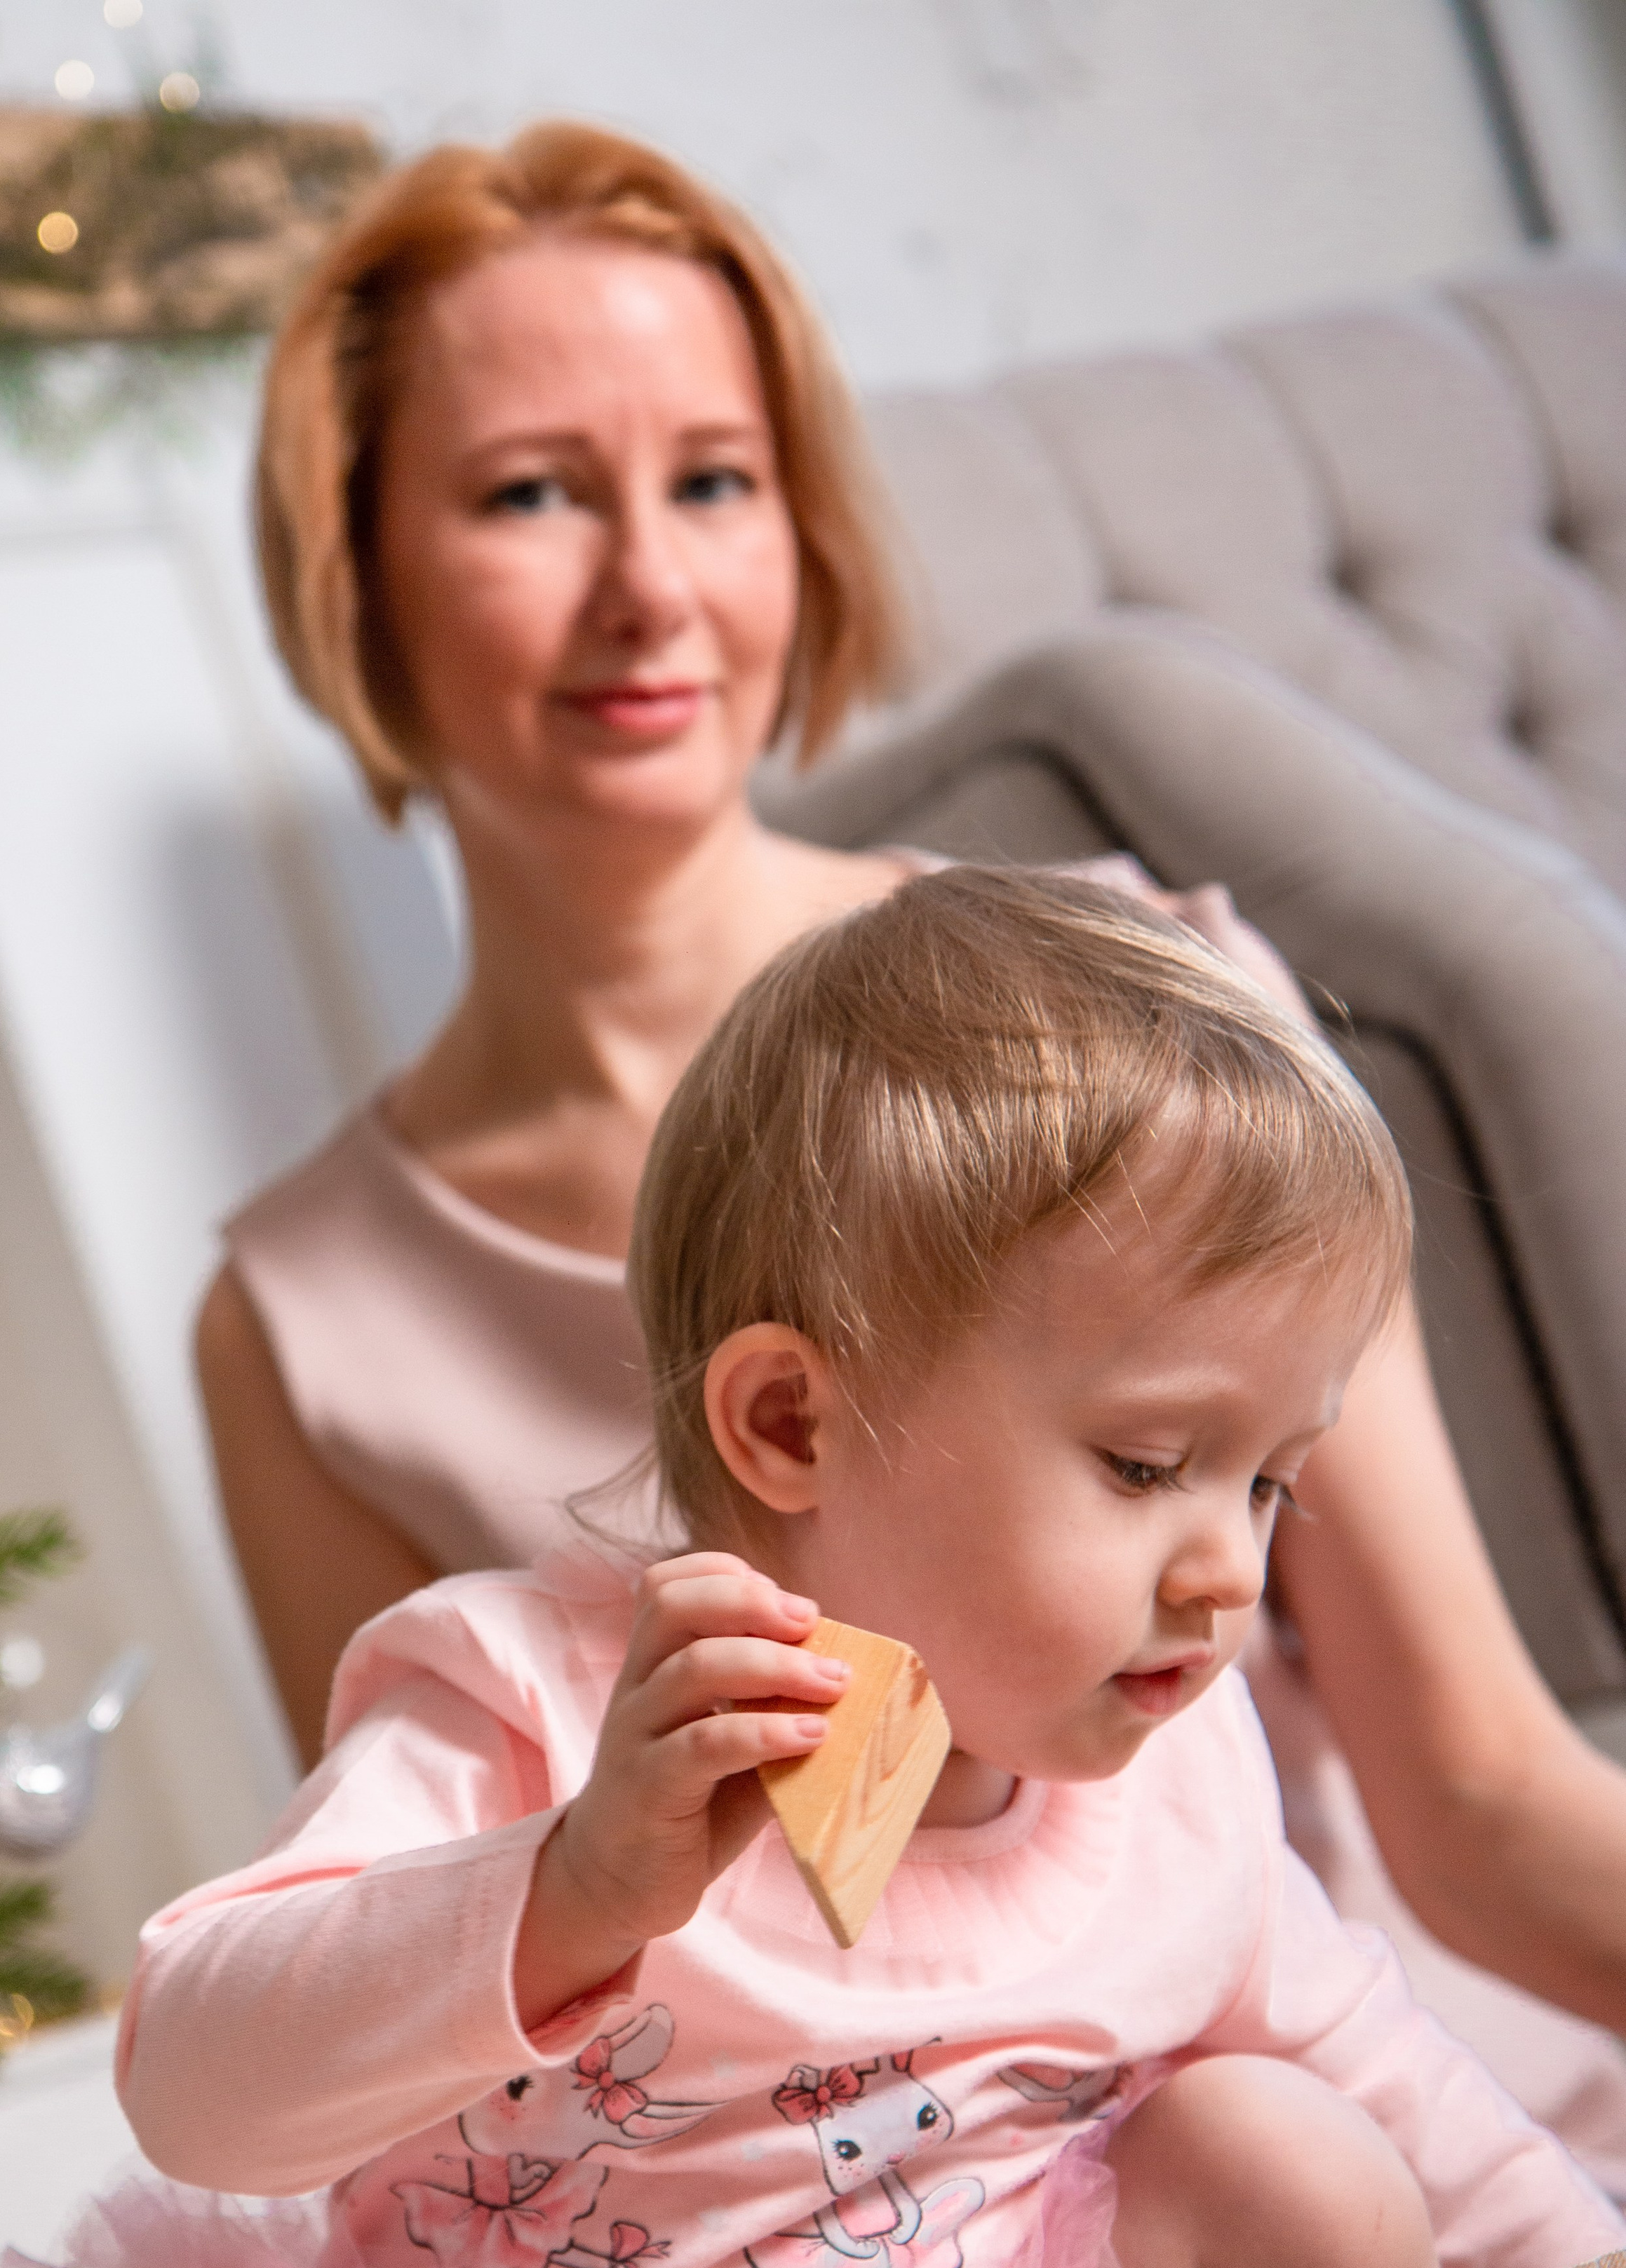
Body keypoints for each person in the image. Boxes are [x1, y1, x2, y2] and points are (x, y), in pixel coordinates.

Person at [0, 871, 1622, 2268]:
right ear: (791, 1425)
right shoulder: (525, 1695)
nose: (1232, 1566)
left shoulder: (1176, 1784)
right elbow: (199, 2083)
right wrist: (573, 1882)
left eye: (1269, 1482)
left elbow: (1447, 2139)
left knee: (1315, 2172)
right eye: (1151, 1462)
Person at [199, 125, 1626, 2107]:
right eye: (531, 494)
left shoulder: (1161, 1004)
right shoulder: (298, 1322)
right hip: (813, 2242)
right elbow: (441, 2012)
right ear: (356, 577)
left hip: (1314, 2091)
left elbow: (1478, 1789)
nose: (652, 586)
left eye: (716, 481)